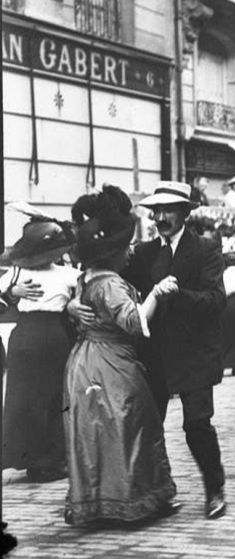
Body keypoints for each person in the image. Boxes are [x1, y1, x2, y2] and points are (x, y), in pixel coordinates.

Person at [108, 181, 228, 519]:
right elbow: (109, 273)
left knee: (197, 425)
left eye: (168, 211)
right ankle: (159, 493)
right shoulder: (144, 253)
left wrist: (177, 296)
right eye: (156, 211)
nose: (160, 217)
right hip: (155, 355)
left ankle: (214, 489)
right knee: (150, 426)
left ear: (185, 213)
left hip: (195, 355)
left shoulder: (206, 249)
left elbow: (216, 300)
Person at [64, 185, 178, 526]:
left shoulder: (87, 277)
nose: (131, 251)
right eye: (126, 246)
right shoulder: (111, 283)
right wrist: (158, 292)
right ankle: (132, 501)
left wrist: (72, 306)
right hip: (112, 363)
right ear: (112, 251)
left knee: (96, 433)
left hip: (84, 363)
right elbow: (134, 322)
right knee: (131, 424)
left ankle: (98, 503)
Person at [0, 218, 79, 482]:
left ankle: (45, 459)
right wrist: (13, 292)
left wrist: (70, 307)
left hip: (44, 334)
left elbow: (80, 302)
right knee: (34, 399)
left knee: (46, 398)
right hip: (36, 336)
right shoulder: (19, 274)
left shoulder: (68, 275)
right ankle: (37, 459)